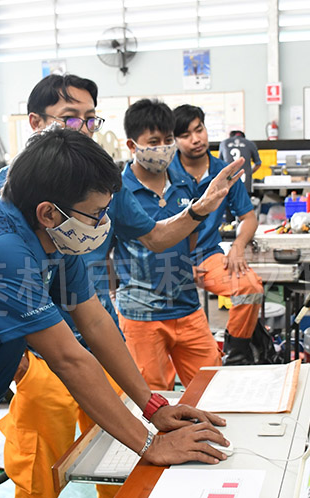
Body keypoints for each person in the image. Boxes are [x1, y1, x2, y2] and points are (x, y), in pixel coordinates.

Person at [0, 128, 230, 498]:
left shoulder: (57, 242)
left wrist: (152, 406)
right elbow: (69, 359)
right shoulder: (2, 251)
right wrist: (151, 445)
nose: (103, 224)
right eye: (96, 214)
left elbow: (95, 321)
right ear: (49, 212)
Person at [0, 74, 243, 498]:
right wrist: (19, 361)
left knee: (119, 466)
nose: (83, 129)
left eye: (91, 119)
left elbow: (145, 247)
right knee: (41, 471)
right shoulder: (7, 196)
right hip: (43, 353)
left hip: (98, 344)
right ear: (35, 122)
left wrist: (199, 209)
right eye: (70, 118)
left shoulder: (93, 193)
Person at [115, 99, 227, 391]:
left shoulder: (184, 183)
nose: (163, 148)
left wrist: (188, 264)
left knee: (211, 389)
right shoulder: (118, 192)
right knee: (152, 399)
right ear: (132, 145)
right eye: (153, 142)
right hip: (141, 316)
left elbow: (191, 234)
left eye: (168, 140)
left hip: (187, 306)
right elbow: (103, 253)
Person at [173, 105, 264, 365]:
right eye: (185, 135)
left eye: (199, 130)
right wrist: (180, 265)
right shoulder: (165, 173)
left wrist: (238, 246)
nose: (196, 139)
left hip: (208, 257)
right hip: (169, 261)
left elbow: (248, 217)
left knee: (250, 287)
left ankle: (235, 356)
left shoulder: (224, 172)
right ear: (174, 139)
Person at [218, 130, 261, 195]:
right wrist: (249, 172)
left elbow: (219, 164)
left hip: (228, 185)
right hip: (246, 185)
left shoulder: (224, 143)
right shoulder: (250, 143)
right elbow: (258, 163)